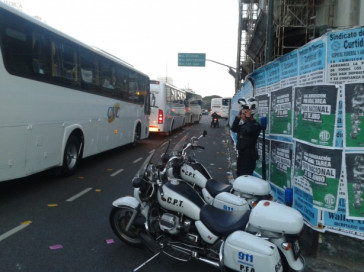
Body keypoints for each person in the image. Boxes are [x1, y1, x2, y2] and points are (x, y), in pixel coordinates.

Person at [231, 97, 261, 176]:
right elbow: (234, 129)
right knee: (239, 176)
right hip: (242, 156)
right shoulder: (244, 125)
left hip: (249, 157)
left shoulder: (255, 125)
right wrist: (237, 118)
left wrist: (248, 117)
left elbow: (249, 130)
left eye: (243, 114)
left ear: (250, 114)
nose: (242, 116)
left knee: (245, 178)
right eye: (241, 114)